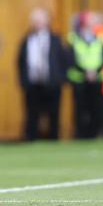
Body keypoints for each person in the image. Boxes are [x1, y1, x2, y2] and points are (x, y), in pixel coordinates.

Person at [18, 8, 67, 140]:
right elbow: (20, 62)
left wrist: (60, 79)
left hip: (52, 84)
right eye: (35, 20)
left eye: (40, 20)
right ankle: (31, 140)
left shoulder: (56, 39)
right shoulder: (27, 40)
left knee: (53, 115)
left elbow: (63, 60)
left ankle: (54, 140)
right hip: (33, 84)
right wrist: (24, 82)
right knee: (32, 115)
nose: (37, 23)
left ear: (47, 21)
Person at [67, 11, 103, 139]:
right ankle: (80, 135)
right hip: (79, 80)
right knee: (80, 110)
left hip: (96, 79)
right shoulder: (73, 38)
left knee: (96, 109)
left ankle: (93, 134)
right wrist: (86, 72)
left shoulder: (99, 39)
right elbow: (70, 58)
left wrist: (95, 71)